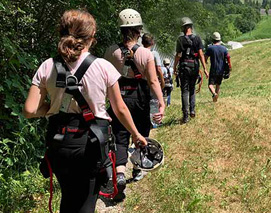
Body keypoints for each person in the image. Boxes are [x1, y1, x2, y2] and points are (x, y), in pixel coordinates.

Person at [23, 9, 147, 212]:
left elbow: (29, 109)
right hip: (91, 143)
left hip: (58, 142)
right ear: (91, 37)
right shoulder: (103, 67)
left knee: (69, 197)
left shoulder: (47, 66)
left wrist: (51, 108)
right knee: (86, 202)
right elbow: (120, 109)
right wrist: (136, 134)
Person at [104, 9, 165, 201]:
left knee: (120, 137)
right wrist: (161, 103)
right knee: (141, 133)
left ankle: (120, 173)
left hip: (119, 96)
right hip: (140, 98)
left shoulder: (110, 51)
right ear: (138, 30)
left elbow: (104, 77)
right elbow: (154, 82)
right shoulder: (146, 53)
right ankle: (137, 170)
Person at [173, 17, 208, 123]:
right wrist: (205, 69)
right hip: (194, 67)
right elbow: (201, 54)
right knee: (192, 89)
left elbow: (178, 55)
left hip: (184, 67)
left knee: (184, 91)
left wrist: (174, 67)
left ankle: (185, 115)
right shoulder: (197, 38)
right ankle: (192, 110)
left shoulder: (180, 40)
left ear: (183, 28)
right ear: (191, 27)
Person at [205, 32, 232, 102]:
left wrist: (205, 61)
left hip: (214, 69)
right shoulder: (224, 48)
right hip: (221, 70)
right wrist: (230, 66)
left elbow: (205, 57)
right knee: (218, 84)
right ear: (219, 39)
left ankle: (214, 93)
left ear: (212, 39)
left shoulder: (210, 48)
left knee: (210, 85)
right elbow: (228, 57)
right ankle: (215, 100)